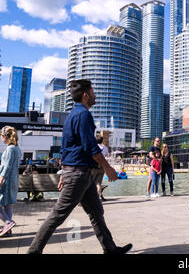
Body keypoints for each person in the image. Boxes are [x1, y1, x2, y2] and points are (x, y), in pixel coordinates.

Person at [28, 80, 131, 254]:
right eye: (93, 91)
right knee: (57, 215)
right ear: (86, 95)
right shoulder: (83, 115)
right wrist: (108, 168)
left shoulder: (72, 115)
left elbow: (67, 148)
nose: (95, 94)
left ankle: (110, 249)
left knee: (96, 212)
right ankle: (33, 251)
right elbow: (90, 146)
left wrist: (64, 172)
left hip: (82, 174)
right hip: (78, 175)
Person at [0, 126, 21, 237]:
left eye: (1, 136)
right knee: (8, 205)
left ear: (5, 136)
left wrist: (1, 178)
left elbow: (7, 166)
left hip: (7, 180)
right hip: (14, 179)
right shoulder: (17, 148)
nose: (1, 139)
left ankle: (8, 223)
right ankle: (8, 230)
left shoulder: (10, 149)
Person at [91, 136, 109, 201]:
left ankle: (89, 198)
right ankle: (97, 199)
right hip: (101, 167)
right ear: (102, 141)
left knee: (90, 182)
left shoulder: (94, 147)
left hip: (94, 166)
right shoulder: (105, 148)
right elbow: (106, 155)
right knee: (98, 183)